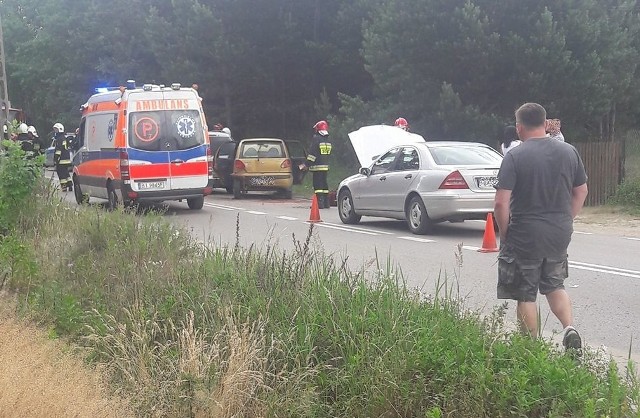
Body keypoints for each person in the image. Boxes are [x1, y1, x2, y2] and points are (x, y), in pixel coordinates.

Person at [494, 102, 588, 355]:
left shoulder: (514, 156)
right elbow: (581, 191)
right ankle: (569, 329)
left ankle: (530, 351)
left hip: (525, 233)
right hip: (559, 231)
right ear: (546, 124)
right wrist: (566, 218)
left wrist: (505, 232)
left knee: (526, 293)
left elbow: (501, 202)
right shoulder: (569, 152)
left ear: (518, 127)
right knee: (555, 284)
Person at [304, 120, 332, 209]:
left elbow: (312, 154)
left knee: (318, 186)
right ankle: (326, 203)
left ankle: (319, 204)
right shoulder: (327, 140)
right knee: (324, 185)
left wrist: (306, 164)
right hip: (325, 166)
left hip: (317, 167)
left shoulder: (316, 138)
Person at [52, 122, 72, 192]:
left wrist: (56, 159)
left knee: (61, 173)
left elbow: (58, 150)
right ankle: (70, 184)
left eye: (56, 130)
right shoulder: (64, 138)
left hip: (61, 160)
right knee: (66, 172)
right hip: (67, 159)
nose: (55, 132)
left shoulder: (59, 139)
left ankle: (64, 187)